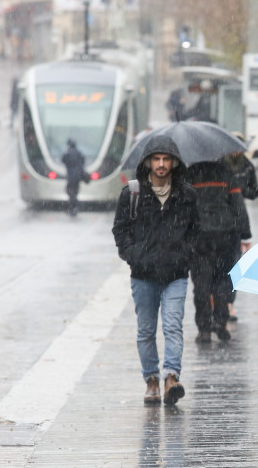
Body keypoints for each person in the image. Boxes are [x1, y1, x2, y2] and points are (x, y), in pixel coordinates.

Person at [112, 135, 198, 405]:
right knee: (146, 330)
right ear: (148, 162)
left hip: (175, 275)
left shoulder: (186, 195)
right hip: (143, 275)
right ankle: (151, 379)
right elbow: (120, 230)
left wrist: (184, 256)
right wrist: (135, 257)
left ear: (173, 162)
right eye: (157, 159)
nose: (161, 164)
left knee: (173, 326)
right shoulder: (133, 194)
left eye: (166, 159)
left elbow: (196, 232)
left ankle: (171, 375)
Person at [185, 157, 255, 343]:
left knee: (201, 284)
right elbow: (237, 204)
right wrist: (245, 233)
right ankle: (221, 323)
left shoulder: (190, 174)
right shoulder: (226, 174)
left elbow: (183, 205)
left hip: (199, 236)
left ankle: (204, 328)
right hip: (226, 235)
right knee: (223, 281)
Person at [224, 150, 258, 321]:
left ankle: (227, 303)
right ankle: (223, 304)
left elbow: (254, 192)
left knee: (230, 266)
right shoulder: (242, 166)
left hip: (231, 226)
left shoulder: (245, 166)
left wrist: (239, 189)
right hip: (227, 225)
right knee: (228, 266)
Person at [61, 139, 87, 216]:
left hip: (71, 176)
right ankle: (75, 206)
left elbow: (63, 160)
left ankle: (74, 206)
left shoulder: (68, 154)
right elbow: (82, 162)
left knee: (70, 191)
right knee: (74, 191)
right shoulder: (79, 153)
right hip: (78, 176)